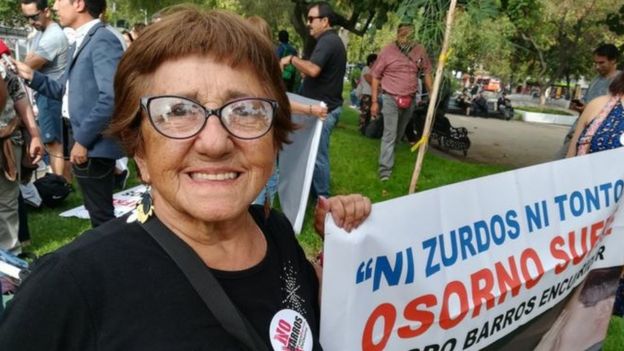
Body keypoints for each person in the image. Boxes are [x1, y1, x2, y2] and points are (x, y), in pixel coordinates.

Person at [0, 7, 371, 349]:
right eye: (177, 110)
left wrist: (348, 259)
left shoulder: (276, 233)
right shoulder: (71, 290)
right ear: (139, 148)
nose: (214, 142)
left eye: (245, 110)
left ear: (274, 139)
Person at [12, 0, 125, 228]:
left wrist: (82, 141)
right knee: (97, 212)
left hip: (94, 143)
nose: (55, 5)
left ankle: (111, 259)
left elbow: (111, 97)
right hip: (84, 140)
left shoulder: (102, 39)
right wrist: (31, 76)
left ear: (79, 4)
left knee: (102, 217)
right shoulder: (79, 41)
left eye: (60, 0)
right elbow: (62, 91)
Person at [245, 16, 327, 206]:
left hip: (252, 138)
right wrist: (310, 109)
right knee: (262, 185)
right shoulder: (261, 70)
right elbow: (278, 101)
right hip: (261, 140)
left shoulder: (238, 67)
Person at [566, 72, 624, 318]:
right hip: (582, 223)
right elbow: (567, 167)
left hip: (619, 240)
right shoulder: (599, 106)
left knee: (594, 312)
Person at [279, 1, 347, 198]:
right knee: (312, 154)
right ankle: (310, 193)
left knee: (318, 157)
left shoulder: (327, 41)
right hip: (322, 107)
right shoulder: (330, 40)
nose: (308, 23)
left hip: (324, 110)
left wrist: (291, 59)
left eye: (311, 19)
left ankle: (323, 199)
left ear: (325, 21)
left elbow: (313, 69)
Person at [370, 22, 432, 181]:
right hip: (390, 97)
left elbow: (426, 72)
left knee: (398, 134)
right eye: (403, 35)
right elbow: (375, 76)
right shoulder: (388, 51)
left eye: (409, 35)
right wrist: (374, 102)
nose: (406, 38)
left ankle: (389, 158)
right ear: (397, 35)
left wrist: (432, 93)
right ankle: (385, 171)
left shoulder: (420, 50)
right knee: (390, 134)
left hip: (410, 99)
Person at [20, 0, 70, 182]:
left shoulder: (52, 36)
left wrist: (28, 62)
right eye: (27, 18)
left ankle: (58, 184)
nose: (31, 21)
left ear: (46, 11)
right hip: (46, 92)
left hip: (50, 94)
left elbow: (28, 65)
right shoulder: (40, 34)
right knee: (58, 143)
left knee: (53, 143)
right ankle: (65, 182)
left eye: (34, 16)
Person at [0, 64, 44, 254]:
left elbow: (20, 98)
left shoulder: (4, 69)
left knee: (6, 201)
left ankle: (9, 257)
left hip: (7, 140)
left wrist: (34, 135)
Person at [557, 44, 621, 158]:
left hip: (597, 137)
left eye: (601, 63)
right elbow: (587, 103)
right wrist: (582, 108)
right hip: (579, 130)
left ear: (613, 61)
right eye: (595, 63)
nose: (597, 66)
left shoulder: (619, 82)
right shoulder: (595, 80)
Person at [357, 53, 377, 134]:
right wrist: (378, 85)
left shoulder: (374, 71)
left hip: (371, 94)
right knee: (364, 111)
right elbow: (370, 80)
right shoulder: (366, 69)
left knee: (369, 113)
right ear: (371, 62)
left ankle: (366, 128)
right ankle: (361, 127)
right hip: (366, 93)